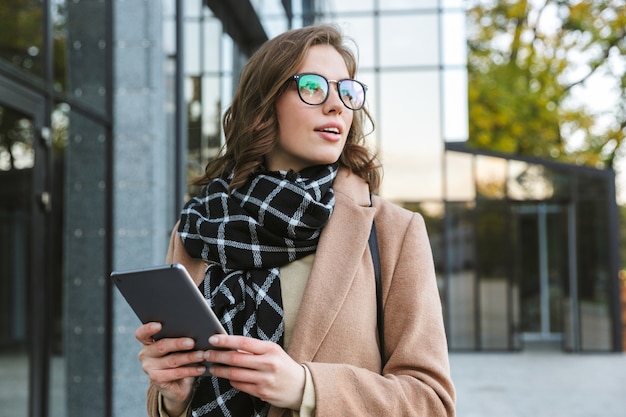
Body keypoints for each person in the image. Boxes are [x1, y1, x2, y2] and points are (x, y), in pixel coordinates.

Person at [135, 24, 456, 417]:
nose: (336, 104)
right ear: (262, 107)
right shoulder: (200, 226)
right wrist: (171, 397)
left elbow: (431, 402)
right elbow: (176, 395)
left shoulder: (392, 231)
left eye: (346, 91)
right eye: (313, 87)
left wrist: (307, 388)